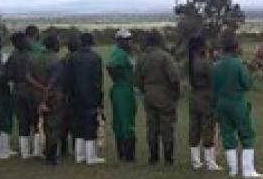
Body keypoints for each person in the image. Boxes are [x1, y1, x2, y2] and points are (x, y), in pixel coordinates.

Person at [212, 34, 263, 179]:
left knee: (228, 135)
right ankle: (248, 170)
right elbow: (247, 84)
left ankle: (233, 170)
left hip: (221, 104)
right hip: (237, 103)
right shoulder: (238, 64)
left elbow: (214, 89)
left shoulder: (216, 66)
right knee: (247, 134)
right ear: (235, 48)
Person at [135, 30, 180, 165]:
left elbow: (137, 81)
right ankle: (168, 158)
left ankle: (153, 157)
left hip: (149, 95)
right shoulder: (165, 57)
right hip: (165, 95)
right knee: (167, 127)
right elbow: (175, 78)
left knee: (152, 127)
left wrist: (147, 89)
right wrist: (175, 93)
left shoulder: (142, 57)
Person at [66, 32, 104, 165]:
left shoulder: (72, 57)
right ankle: (91, 157)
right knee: (90, 125)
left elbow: (68, 79)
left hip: (74, 96)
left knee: (78, 125)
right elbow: (97, 81)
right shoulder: (96, 58)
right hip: (90, 96)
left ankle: (79, 155)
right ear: (92, 42)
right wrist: (100, 99)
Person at [28, 35, 64, 166]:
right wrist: (45, 95)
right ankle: (51, 156)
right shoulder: (56, 60)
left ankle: (39, 151)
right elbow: (52, 83)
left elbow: (28, 77)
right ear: (54, 45)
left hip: (35, 96)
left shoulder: (34, 59)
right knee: (53, 126)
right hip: (53, 97)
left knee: (39, 124)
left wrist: (39, 87)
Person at [187, 36, 220, 171]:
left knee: (194, 128)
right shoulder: (205, 63)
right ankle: (210, 162)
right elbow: (214, 80)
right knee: (208, 128)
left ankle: (195, 161)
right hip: (206, 97)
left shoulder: (191, 62)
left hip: (194, 97)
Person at [5, 32, 39, 159]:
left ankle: (25, 152)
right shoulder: (32, 56)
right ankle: (37, 150)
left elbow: (7, 75)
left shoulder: (12, 57)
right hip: (32, 91)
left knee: (22, 122)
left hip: (17, 91)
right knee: (35, 121)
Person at [106, 29, 137, 162]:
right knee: (125, 121)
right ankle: (127, 155)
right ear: (120, 41)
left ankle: (124, 153)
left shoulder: (125, 53)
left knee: (122, 120)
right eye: (126, 39)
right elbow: (111, 65)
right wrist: (118, 76)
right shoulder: (120, 54)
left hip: (126, 88)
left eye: (130, 39)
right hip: (122, 89)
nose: (129, 41)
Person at [0, 32, 16, 157]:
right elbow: (6, 75)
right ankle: (4, 149)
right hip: (2, 90)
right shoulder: (2, 56)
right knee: (5, 119)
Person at [59, 35, 79, 158]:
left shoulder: (63, 60)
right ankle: (76, 148)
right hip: (74, 94)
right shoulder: (77, 60)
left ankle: (63, 148)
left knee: (63, 123)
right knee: (75, 122)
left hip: (63, 94)